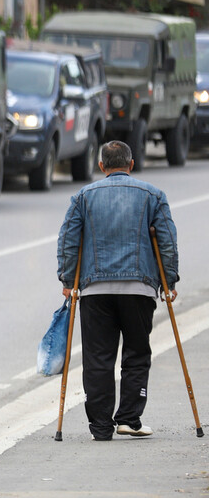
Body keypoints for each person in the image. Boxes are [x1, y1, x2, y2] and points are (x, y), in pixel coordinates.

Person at [57, 140, 179, 441]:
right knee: (136, 352)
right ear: (131, 164)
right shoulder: (153, 195)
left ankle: (100, 426)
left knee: (98, 357)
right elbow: (166, 241)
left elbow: (69, 241)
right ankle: (129, 418)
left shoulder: (82, 197)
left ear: (102, 166)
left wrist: (67, 280)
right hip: (139, 289)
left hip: (95, 290)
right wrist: (170, 282)